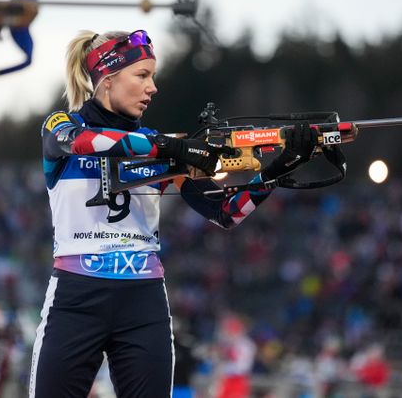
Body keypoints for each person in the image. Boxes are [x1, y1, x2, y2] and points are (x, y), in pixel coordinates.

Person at [29, 29, 318, 397]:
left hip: (142, 300)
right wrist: (168, 146)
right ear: (107, 77)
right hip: (76, 297)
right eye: (142, 75)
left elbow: (226, 212)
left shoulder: (161, 149)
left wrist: (277, 169)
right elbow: (82, 143)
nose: (153, 88)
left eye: (153, 76)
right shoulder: (62, 125)